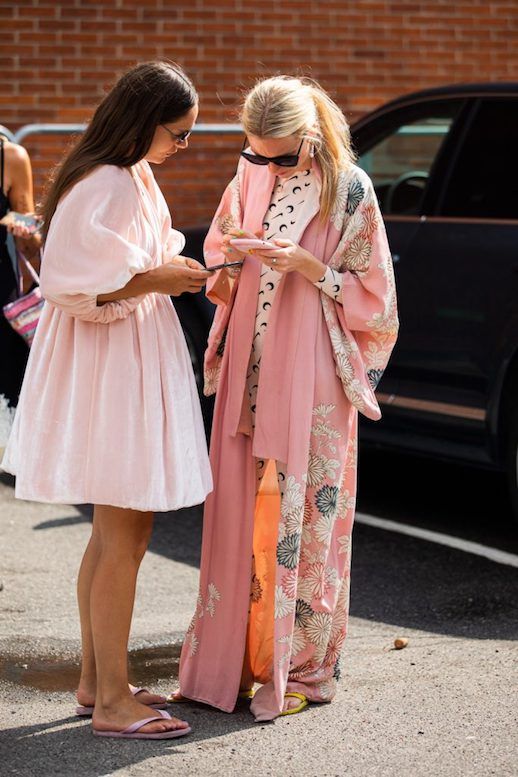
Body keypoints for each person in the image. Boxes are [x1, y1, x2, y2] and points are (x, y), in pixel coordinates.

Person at [172, 76, 399, 721]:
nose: (267, 166)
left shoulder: (349, 190)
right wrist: (233, 259)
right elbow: (216, 247)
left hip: (316, 373)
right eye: (256, 154)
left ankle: (303, 667)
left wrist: (307, 266)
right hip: (250, 360)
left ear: (310, 136)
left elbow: (376, 299)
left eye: (280, 156)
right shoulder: (247, 177)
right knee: (241, 514)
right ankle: (235, 661)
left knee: (311, 521)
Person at [1, 61, 213, 740]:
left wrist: (172, 269)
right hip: (113, 367)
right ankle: (115, 701)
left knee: (115, 530)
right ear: (142, 121)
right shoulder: (108, 180)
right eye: (177, 133)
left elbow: (113, 263)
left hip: (120, 359)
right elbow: (71, 280)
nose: (182, 146)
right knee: (124, 532)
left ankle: (99, 680)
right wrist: (163, 275)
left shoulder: (125, 174)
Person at [0, 135, 42, 408]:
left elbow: (29, 241)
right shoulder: (10, 157)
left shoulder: (10, 157)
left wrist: (26, 228)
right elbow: (29, 243)